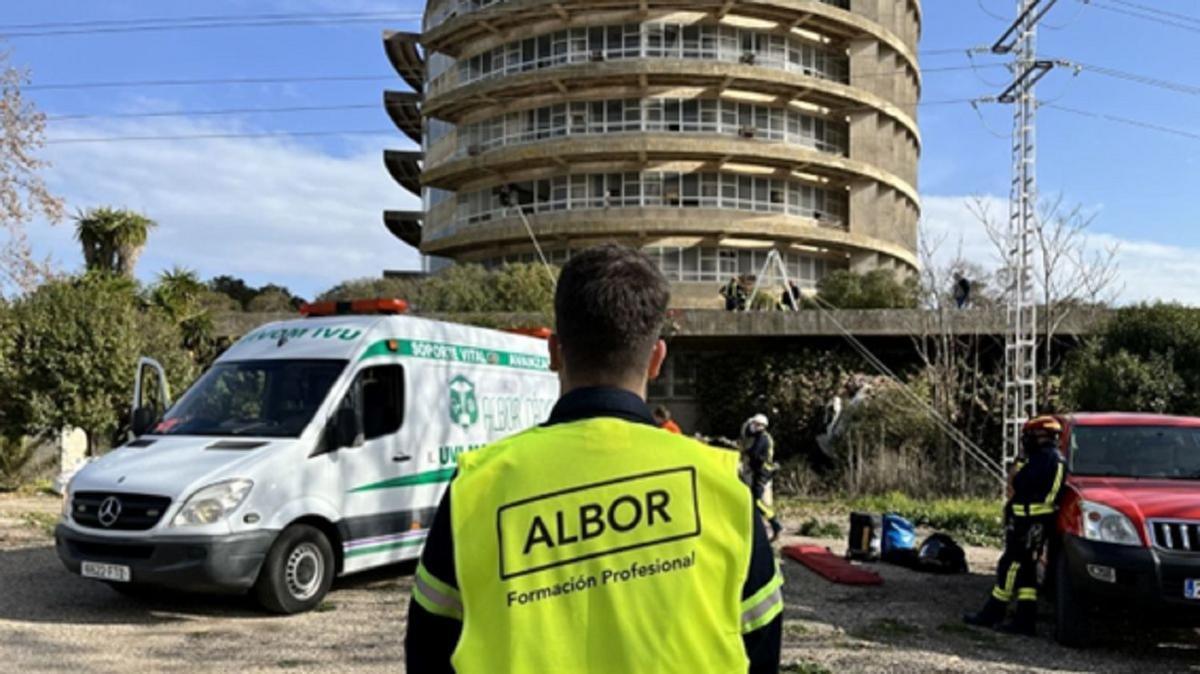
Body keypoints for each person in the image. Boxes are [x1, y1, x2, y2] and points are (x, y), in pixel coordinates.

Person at [406, 245, 783, 674]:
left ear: (553, 351)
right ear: (657, 359)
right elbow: (763, 647)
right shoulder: (722, 486)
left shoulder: (477, 487)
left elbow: (427, 651)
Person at [963, 416, 1066, 636]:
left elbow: (1016, 485)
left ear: (1040, 436)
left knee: (1009, 567)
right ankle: (1025, 620)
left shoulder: (1043, 460)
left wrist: (1018, 465)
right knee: (1027, 573)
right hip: (1035, 523)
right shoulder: (1054, 459)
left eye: (1029, 436)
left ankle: (993, 612)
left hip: (1029, 524)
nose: (1026, 441)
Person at [741, 414, 783, 542]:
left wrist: (743, 452)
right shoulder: (759, 436)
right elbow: (746, 434)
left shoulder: (763, 439)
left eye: (755, 424)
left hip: (762, 473)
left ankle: (775, 524)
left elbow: (754, 454)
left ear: (762, 426)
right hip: (759, 471)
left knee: (756, 502)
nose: (752, 426)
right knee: (753, 501)